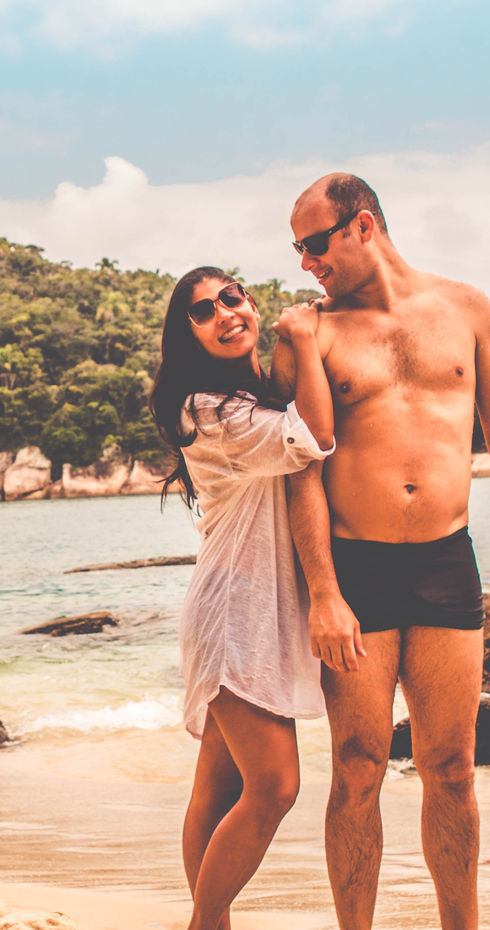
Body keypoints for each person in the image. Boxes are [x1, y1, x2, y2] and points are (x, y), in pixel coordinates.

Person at [272, 174, 490, 930]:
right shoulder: (310, 335)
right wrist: (323, 591)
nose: (306, 263)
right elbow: (302, 470)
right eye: (297, 249)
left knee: (453, 769)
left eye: (314, 244)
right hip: (355, 569)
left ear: (363, 226)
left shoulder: (467, 310)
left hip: (444, 560)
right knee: (357, 767)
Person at [149, 266, 335, 930]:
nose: (226, 313)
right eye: (204, 311)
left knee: (216, 788)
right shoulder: (208, 411)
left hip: (248, 606)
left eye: (232, 297)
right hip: (235, 613)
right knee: (276, 786)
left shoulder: (249, 397)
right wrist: (305, 340)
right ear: (190, 336)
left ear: (249, 304)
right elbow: (313, 438)